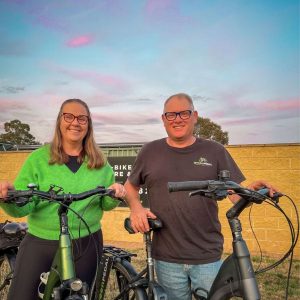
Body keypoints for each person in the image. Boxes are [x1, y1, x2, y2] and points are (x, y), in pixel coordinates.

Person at [124, 93, 278, 300]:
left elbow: (234, 194)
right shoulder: (150, 151)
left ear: (195, 116)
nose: (177, 119)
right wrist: (136, 208)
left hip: (207, 256)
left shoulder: (215, 150)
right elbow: (130, 187)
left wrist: (250, 192)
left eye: (184, 113)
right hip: (166, 256)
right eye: (171, 115)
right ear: (163, 119)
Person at [0, 98, 126, 300]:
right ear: (60, 120)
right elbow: (23, 206)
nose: (75, 122)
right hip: (41, 241)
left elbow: (105, 203)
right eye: (69, 116)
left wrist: (115, 194)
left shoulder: (100, 162)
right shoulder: (38, 159)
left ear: (88, 124)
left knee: (76, 296)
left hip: (86, 242)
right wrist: (9, 196)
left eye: (82, 118)